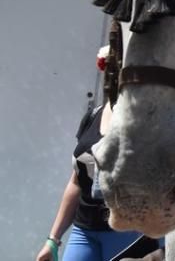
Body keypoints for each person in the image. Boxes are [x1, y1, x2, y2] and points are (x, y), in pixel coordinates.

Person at [37, 46, 162, 261]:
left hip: (127, 231)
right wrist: (53, 240)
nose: (110, 78)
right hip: (84, 230)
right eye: (108, 69)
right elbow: (77, 182)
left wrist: (160, 248)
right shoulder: (93, 115)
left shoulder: (149, 122)